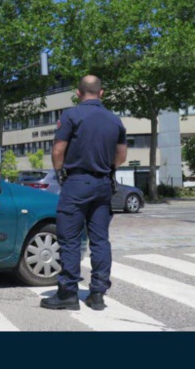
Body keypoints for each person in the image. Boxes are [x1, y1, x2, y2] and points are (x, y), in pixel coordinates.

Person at [40, 75, 127, 311]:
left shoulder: (71, 116)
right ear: (102, 93)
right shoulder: (114, 120)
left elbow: (58, 150)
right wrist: (107, 168)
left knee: (69, 239)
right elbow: (121, 156)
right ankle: (97, 294)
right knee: (100, 240)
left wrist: (60, 174)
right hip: (103, 184)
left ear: (78, 93)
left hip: (77, 183)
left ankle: (68, 292)